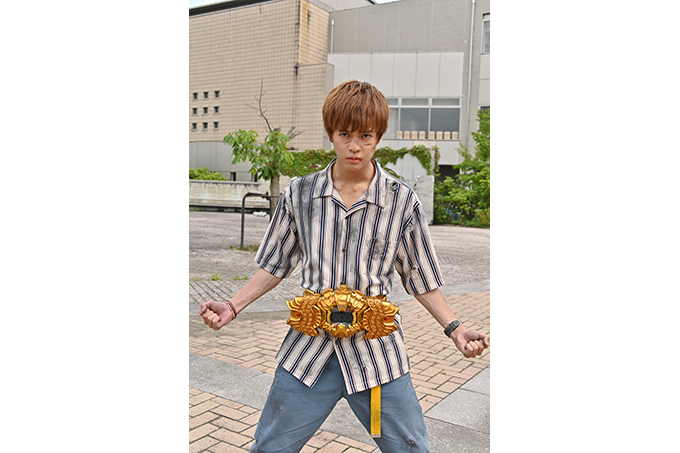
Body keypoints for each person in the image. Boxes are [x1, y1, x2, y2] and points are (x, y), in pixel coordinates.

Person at [199, 80, 490, 453]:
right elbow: (275, 263)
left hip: (376, 357)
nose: (355, 146)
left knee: (409, 448)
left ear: (378, 136)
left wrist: (455, 328)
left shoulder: (401, 202)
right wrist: (233, 305)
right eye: (345, 134)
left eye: (365, 135)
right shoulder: (299, 195)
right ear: (331, 134)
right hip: (308, 354)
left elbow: (419, 276)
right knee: (271, 448)